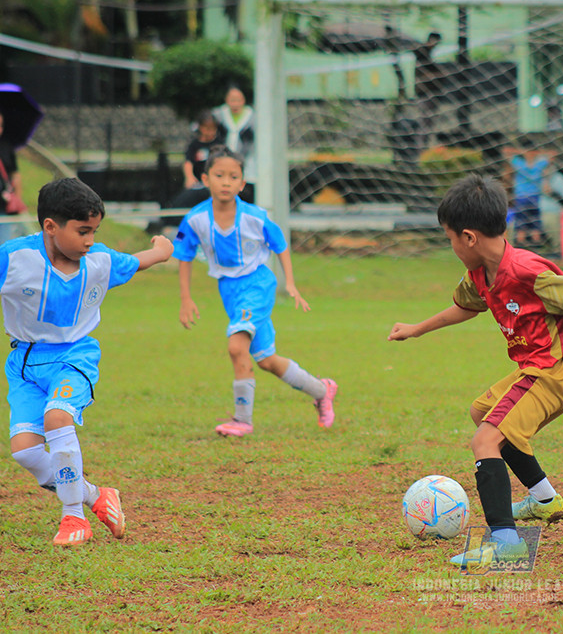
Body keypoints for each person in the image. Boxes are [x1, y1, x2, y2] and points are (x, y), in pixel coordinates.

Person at [388, 173, 563, 572]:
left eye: (450, 238)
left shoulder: (525, 269)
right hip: (536, 368)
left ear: (468, 237)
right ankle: (544, 498)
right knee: (482, 413)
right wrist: (417, 328)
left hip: (557, 370)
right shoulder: (480, 273)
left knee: (484, 440)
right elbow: (467, 307)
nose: (450, 247)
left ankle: (506, 543)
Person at [2, 177, 174, 546]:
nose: (90, 240)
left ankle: (73, 518)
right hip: (25, 364)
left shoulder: (98, 261)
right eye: (82, 231)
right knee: (27, 452)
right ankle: (96, 496)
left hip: (75, 355)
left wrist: (162, 249)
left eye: (94, 230)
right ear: (50, 226)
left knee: (58, 418)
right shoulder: (14, 259)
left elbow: (136, 262)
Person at [173, 146, 337, 437]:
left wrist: (290, 283)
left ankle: (242, 420)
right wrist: (186, 298)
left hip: (258, 285)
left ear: (242, 183)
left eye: (233, 176)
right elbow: (183, 255)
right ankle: (322, 390)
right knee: (266, 361)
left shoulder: (254, 216)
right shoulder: (195, 219)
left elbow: (280, 244)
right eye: (219, 175)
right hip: (229, 291)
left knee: (237, 347)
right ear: (205, 178)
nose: (226, 182)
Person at [213, 85, 256, 203]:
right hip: (224, 159)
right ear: (227, 101)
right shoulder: (218, 115)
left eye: (238, 100)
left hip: (247, 161)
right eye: (232, 100)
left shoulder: (253, 117)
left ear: (243, 101)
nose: (235, 103)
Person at [0, 112, 28, 242]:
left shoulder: (6, 147)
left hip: (4, 206)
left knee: (3, 245)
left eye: (1, 125)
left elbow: (15, 175)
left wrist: (17, 199)